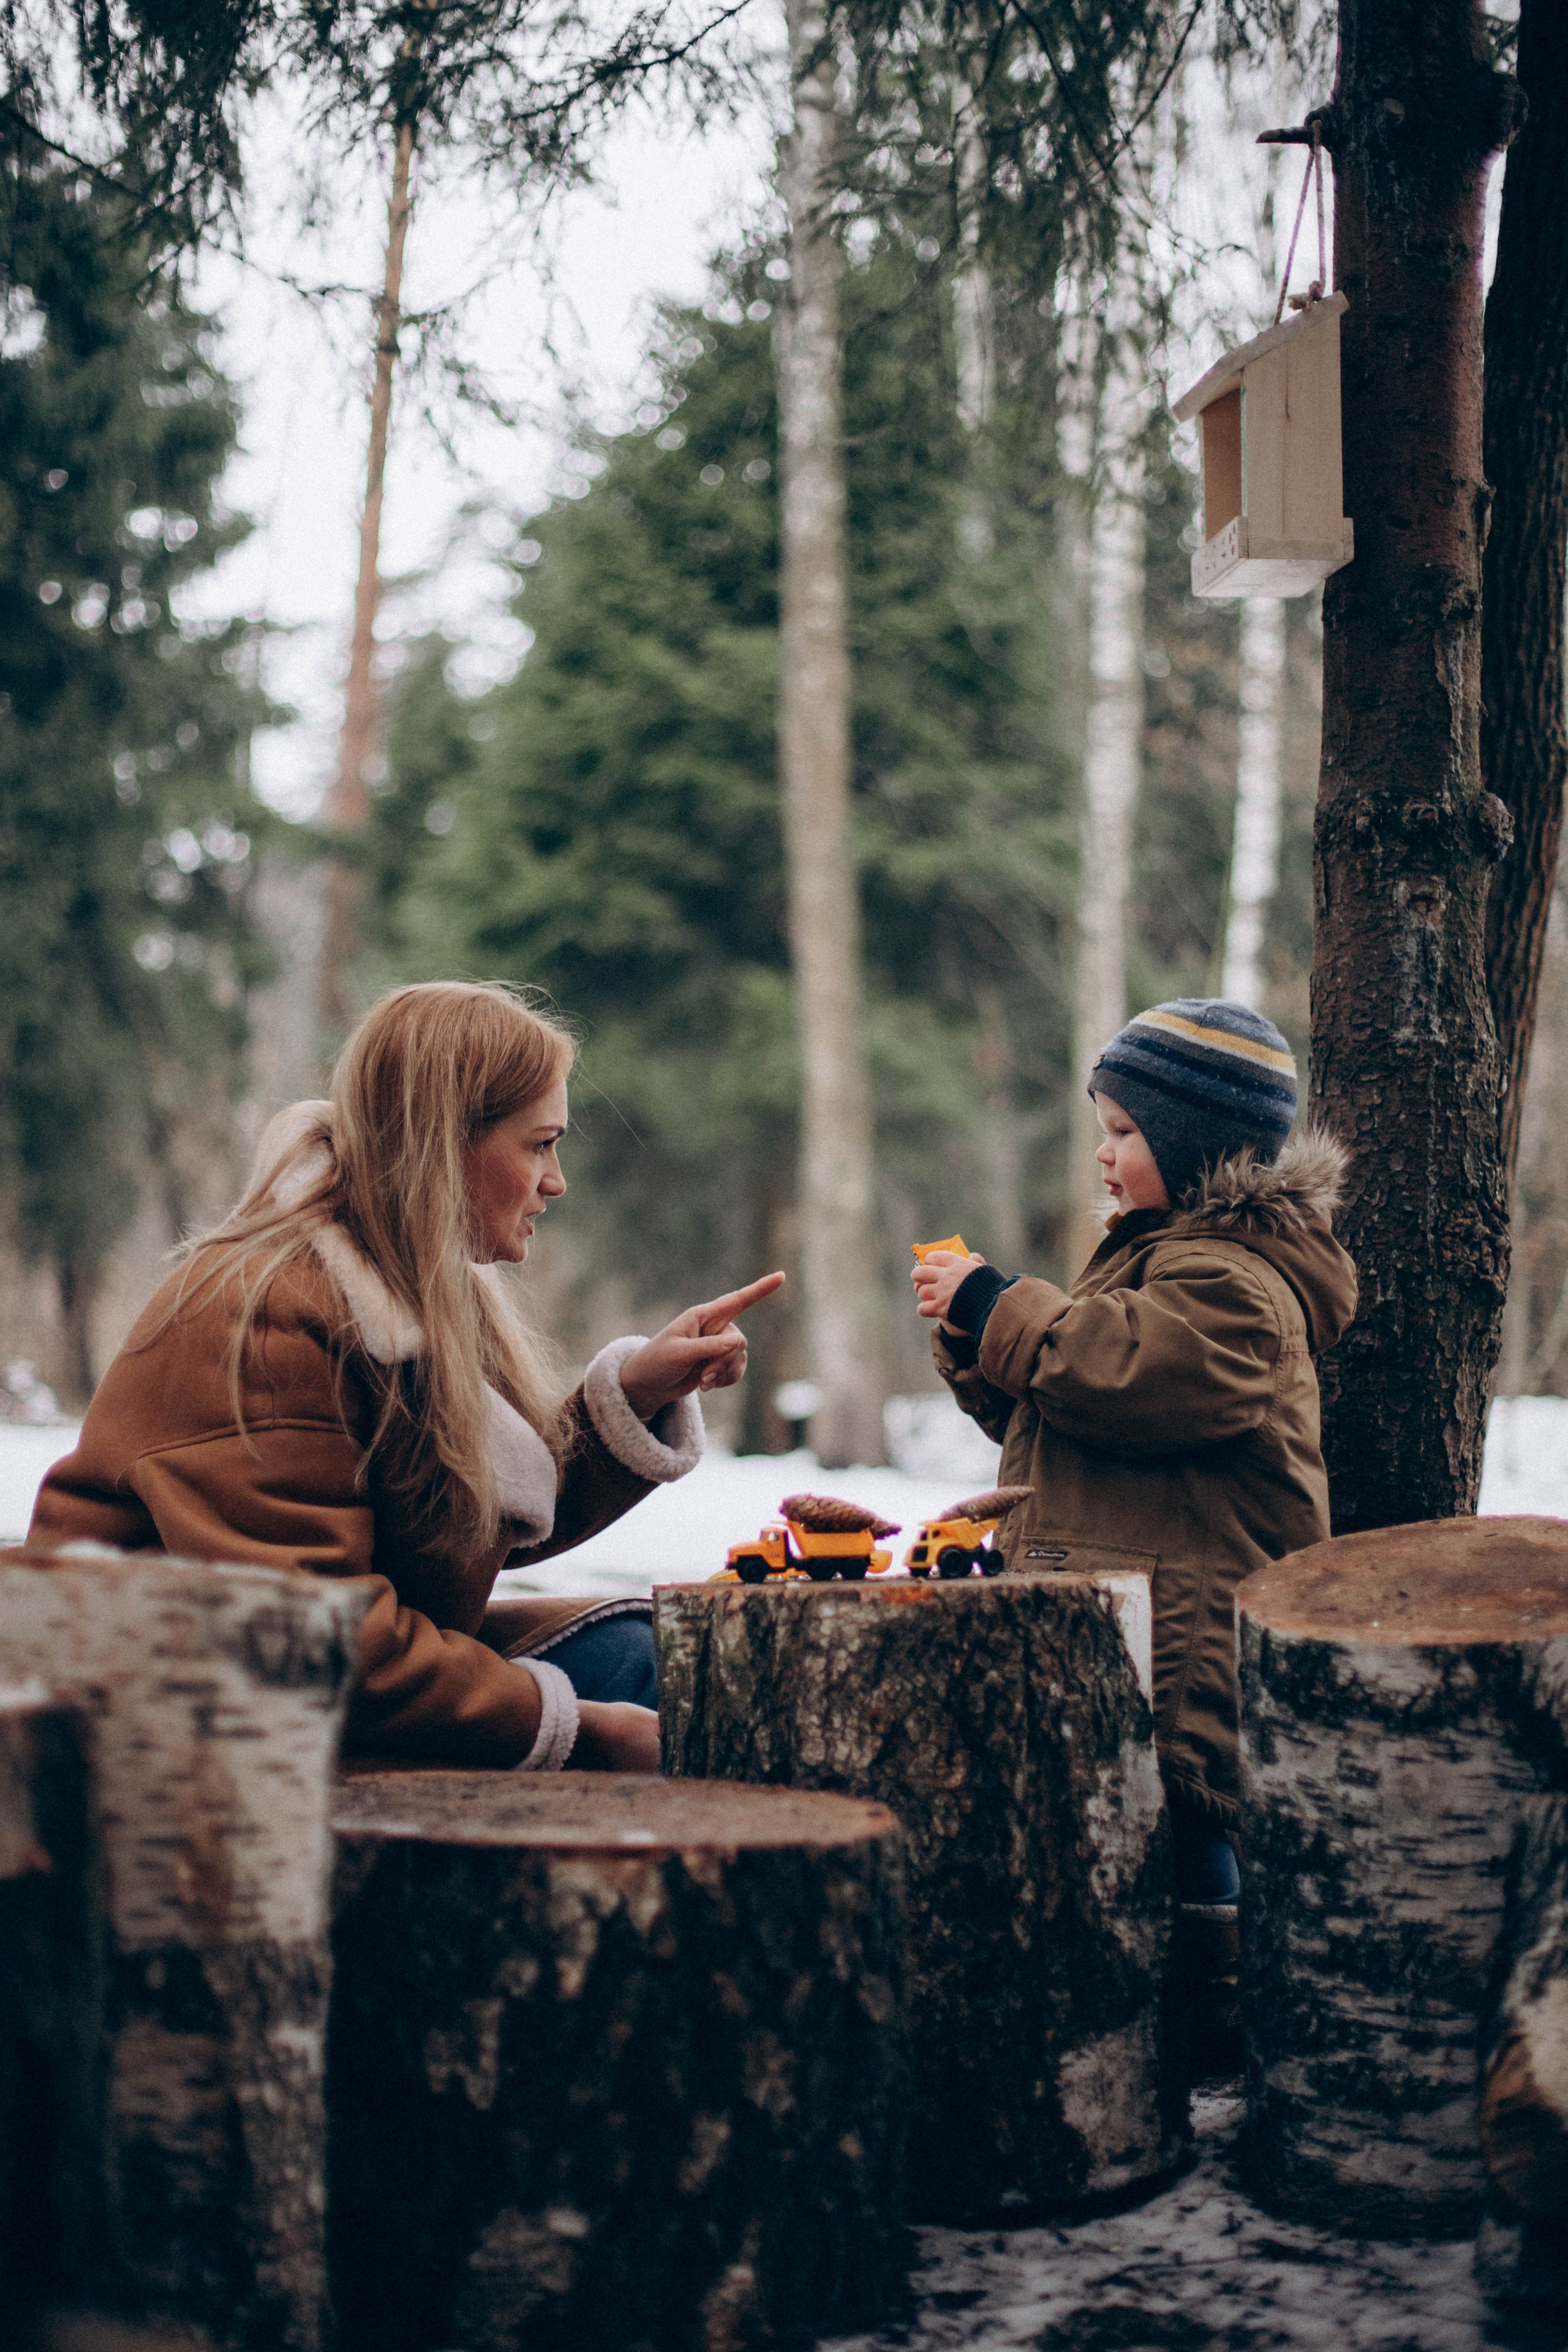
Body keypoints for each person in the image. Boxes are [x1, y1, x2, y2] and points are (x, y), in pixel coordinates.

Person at [30, 981, 783, 1774]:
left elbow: (471, 1521)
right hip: (167, 1731)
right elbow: (310, 1642)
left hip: (318, 1689)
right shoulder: (266, 1316)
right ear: (444, 1141)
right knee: (645, 1697)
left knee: (651, 1657)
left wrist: (639, 1393)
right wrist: (584, 1731)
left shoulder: (409, 1292)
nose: (556, 1181)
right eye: (539, 1144)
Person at [912, 998, 1356, 2071]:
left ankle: (1213, 2023)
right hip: (1126, 1609)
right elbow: (1077, 1411)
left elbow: (1128, 1378)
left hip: (1183, 1628)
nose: (1103, 1155)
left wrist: (1003, 1306)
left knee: (1187, 1824)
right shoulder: (1157, 1260)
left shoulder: (1234, 1282)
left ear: (1196, 1142)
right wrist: (982, 1349)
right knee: (1127, 1829)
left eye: (1124, 1131)